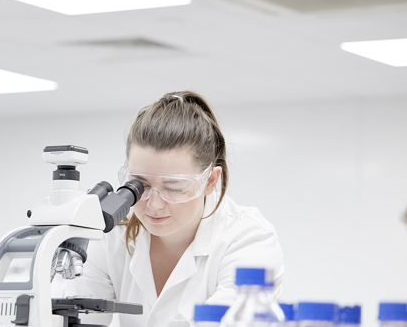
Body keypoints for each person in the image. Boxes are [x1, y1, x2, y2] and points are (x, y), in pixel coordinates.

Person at [64, 91, 284, 327]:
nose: (154, 205)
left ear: (210, 181)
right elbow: (72, 319)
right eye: (140, 186)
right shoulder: (109, 232)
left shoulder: (249, 239)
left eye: (175, 188)